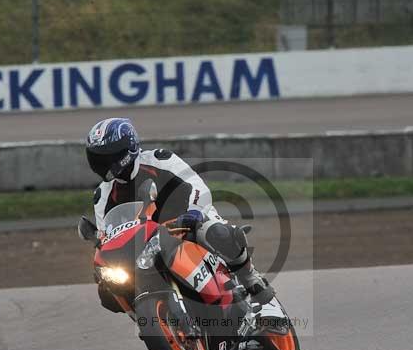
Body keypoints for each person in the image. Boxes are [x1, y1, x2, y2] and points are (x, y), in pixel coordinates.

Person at [78, 117, 274, 311]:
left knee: (218, 232)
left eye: (107, 157)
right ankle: (148, 321)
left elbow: (197, 187)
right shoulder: (102, 194)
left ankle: (250, 278)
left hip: (186, 221)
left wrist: (195, 212)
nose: (102, 163)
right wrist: (101, 252)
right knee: (109, 291)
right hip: (144, 244)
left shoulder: (160, 160)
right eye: (97, 158)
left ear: (127, 150)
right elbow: (107, 235)